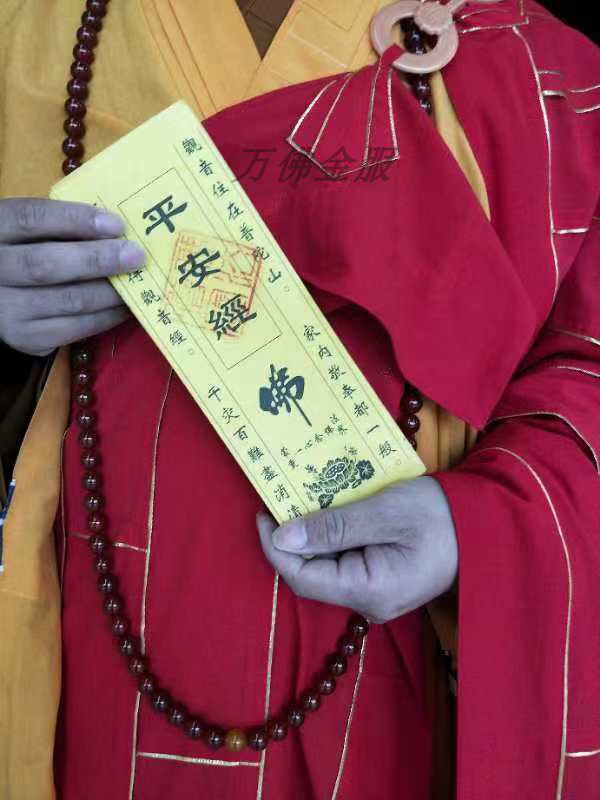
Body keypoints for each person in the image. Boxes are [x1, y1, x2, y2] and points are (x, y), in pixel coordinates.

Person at [0, 1, 599, 798]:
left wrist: (481, 526)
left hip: (398, 695)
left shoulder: (534, 66)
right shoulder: (25, 31)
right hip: (91, 686)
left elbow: (584, 364)